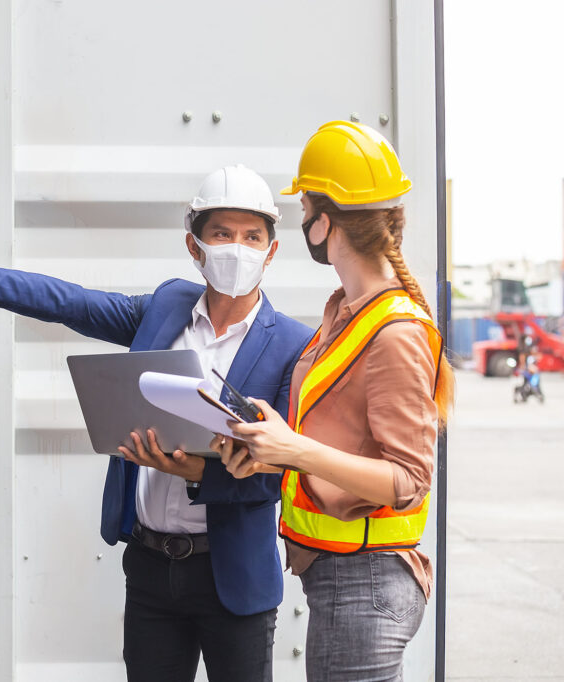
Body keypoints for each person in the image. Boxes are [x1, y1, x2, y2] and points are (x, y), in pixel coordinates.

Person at [0, 165, 313, 682]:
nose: (237, 249)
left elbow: (282, 476)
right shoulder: (165, 306)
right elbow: (67, 301)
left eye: (252, 237)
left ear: (271, 251)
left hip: (235, 580)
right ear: (194, 246)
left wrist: (197, 474)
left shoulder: (293, 345)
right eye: (222, 234)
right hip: (152, 570)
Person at [214, 121, 455, 681]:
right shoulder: (346, 315)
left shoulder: (394, 332)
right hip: (342, 580)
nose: (302, 224)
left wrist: (294, 449)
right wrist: (269, 448)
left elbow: (407, 479)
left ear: (325, 223)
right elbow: (339, 437)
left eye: (304, 212)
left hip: (365, 584)